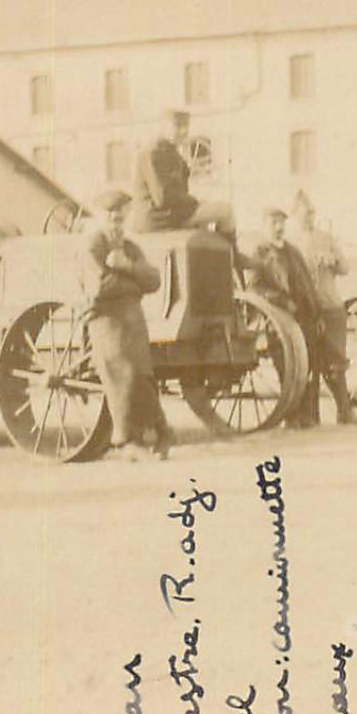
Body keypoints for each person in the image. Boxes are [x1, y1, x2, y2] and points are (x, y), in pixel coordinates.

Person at [81, 189, 173, 460]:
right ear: (100, 217)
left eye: (120, 216)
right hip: (106, 321)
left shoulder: (129, 248)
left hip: (133, 321)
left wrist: (125, 266)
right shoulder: (92, 245)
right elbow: (98, 286)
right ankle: (127, 442)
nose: (116, 221)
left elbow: (154, 281)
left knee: (143, 376)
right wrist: (135, 283)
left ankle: (157, 433)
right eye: (110, 215)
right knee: (123, 376)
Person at [251, 207, 357, 428]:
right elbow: (255, 287)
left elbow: (307, 285)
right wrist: (283, 302)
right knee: (288, 369)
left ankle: (308, 416)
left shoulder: (292, 251)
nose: (279, 227)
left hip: (304, 318)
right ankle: (291, 417)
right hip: (279, 322)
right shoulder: (260, 252)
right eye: (273, 222)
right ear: (264, 225)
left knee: (309, 366)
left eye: (281, 222)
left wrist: (317, 313)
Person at [288, 192, 357, 426]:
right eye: (303, 214)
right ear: (294, 216)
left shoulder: (326, 237)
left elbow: (345, 267)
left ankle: (344, 411)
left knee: (336, 360)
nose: (308, 218)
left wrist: (332, 259)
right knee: (309, 361)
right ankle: (312, 415)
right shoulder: (290, 243)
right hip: (305, 310)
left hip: (331, 306)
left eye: (311, 213)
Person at [130, 109, 235, 236]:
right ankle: (231, 254)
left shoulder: (170, 152)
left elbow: (179, 190)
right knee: (226, 211)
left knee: (206, 215)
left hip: (166, 215)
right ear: (163, 127)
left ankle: (214, 253)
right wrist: (193, 202)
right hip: (157, 219)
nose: (184, 131)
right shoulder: (153, 153)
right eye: (178, 126)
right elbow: (163, 198)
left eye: (186, 126)